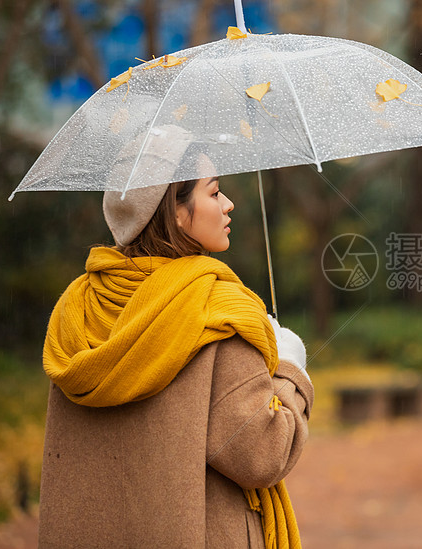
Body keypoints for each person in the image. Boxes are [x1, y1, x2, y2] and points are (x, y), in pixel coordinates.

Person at [37, 134, 313, 549]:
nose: (228, 204)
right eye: (215, 191)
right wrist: (290, 369)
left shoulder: (80, 308)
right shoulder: (213, 312)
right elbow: (260, 454)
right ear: (177, 213)